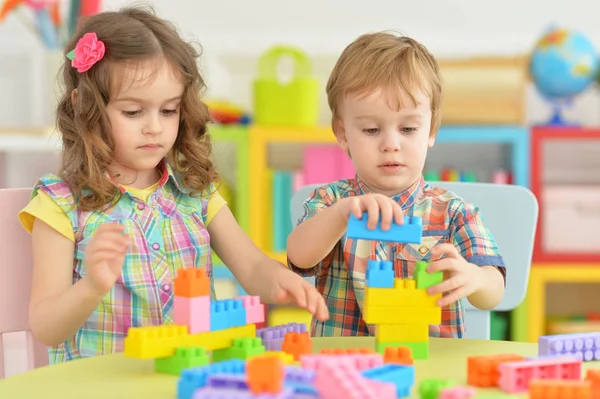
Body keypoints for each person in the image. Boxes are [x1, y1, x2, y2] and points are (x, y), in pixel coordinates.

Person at [18, 5, 328, 364]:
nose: (155, 127)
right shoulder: (61, 204)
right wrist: (92, 287)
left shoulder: (196, 193)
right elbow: (46, 327)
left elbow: (254, 269)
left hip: (189, 380)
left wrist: (282, 282)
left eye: (169, 110)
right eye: (133, 112)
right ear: (84, 106)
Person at [286, 32, 506, 338]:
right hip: (344, 363)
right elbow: (299, 257)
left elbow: (494, 288)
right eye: (372, 129)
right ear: (343, 133)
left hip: (429, 364)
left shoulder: (454, 213)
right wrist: (340, 215)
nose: (391, 144)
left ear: (431, 130)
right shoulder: (330, 201)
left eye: (408, 128)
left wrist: (476, 279)